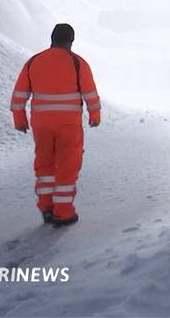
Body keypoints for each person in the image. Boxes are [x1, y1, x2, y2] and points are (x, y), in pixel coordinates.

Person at [10, 24, 101, 227]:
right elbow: (91, 95)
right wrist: (95, 115)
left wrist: (20, 120)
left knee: (45, 165)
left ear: (52, 39)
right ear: (71, 41)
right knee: (67, 166)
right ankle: (63, 212)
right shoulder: (78, 63)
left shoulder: (34, 62)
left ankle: (47, 208)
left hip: (41, 126)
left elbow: (19, 95)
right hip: (68, 125)